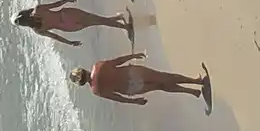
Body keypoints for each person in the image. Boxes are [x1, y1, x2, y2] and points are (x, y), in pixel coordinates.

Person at [71, 54, 212, 113]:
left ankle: (192, 92)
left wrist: (134, 101)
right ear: (82, 70)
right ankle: (196, 81)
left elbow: (116, 97)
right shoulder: (98, 67)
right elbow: (117, 61)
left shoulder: (96, 90)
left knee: (160, 86)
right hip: (132, 74)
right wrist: (133, 56)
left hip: (131, 88)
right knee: (163, 77)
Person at [13, 0, 132, 46]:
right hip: (66, 14)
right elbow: (55, 4)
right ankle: (124, 26)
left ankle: (118, 19)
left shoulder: (37, 29)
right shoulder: (38, 9)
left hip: (67, 26)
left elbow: (55, 36)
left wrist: (70, 42)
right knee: (96, 19)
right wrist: (67, 0)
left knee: (96, 22)